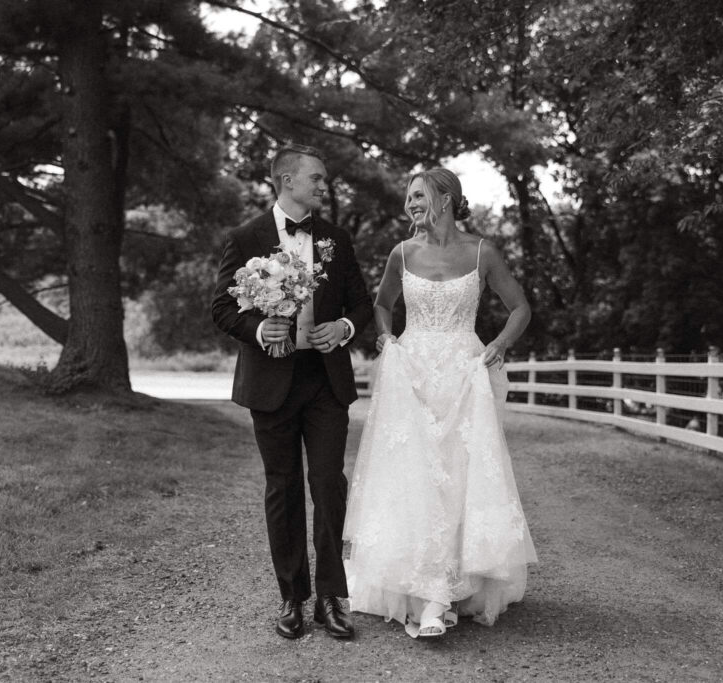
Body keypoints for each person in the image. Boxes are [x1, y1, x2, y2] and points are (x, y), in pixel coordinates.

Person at [342, 167, 538, 638]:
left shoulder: (481, 252)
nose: (409, 204)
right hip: (412, 377)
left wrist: (499, 345)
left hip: (463, 375)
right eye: (407, 197)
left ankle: (451, 588)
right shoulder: (402, 253)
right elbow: (382, 304)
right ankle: (425, 592)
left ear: (446, 197)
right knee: (415, 478)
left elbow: (521, 308)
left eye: (416, 195)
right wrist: (388, 338)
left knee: (458, 479)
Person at [211, 144, 373, 640]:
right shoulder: (245, 238)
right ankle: (292, 598)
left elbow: (361, 305)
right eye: (318, 178)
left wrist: (343, 328)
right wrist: (261, 331)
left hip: (325, 381)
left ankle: (331, 596)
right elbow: (221, 308)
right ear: (287, 181)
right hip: (271, 382)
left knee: (327, 484)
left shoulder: (336, 239)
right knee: (281, 488)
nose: (325, 186)